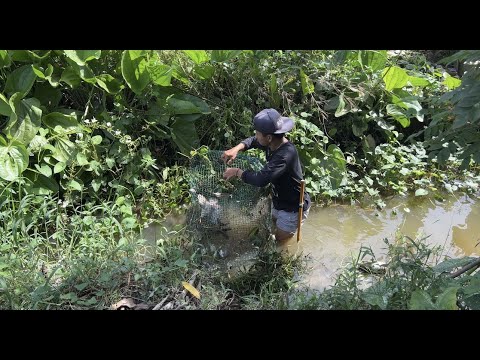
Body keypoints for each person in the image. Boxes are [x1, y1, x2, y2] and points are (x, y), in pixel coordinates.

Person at [222, 108, 311, 244]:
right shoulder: (273, 142)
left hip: (292, 207)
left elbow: (260, 179)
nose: (256, 136)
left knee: (280, 242)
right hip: (279, 200)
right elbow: (252, 141)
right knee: (271, 227)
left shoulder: (285, 154)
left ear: (269, 137)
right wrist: (236, 149)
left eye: (258, 133)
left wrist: (236, 172)